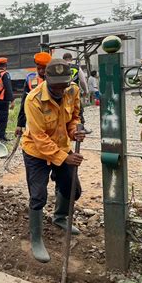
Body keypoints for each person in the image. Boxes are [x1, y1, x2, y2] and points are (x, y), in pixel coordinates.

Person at [21, 58, 86, 263]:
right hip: (36, 153)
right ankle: (36, 239)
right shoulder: (34, 100)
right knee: (38, 194)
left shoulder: (73, 90)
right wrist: (64, 158)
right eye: (56, 85)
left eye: (63, 85)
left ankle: (60, 217)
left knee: (72, 190)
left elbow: (74, 116)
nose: (60, 90)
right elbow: (39, 138)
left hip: (62, 148)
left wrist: (75, 130)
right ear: (46, 78)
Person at [15, 52, 52, 137]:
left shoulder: (54, 80)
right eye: (39, 68)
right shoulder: (30, 79)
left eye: (44, 68)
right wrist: (20, 124)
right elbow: (24, 102)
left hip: (51, 120)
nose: (41, 71)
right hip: (33, 118)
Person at [62, 52, 90, 133]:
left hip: (63, 93)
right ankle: (80, 128)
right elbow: (82, 81)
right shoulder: (77, 68)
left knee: (64, 110)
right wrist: (86, 91)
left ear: (63, 59)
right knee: (78, 110)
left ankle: (65, 128)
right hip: (74, 92)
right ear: (71, 59)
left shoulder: (60, 67)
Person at [0, 57, 15, 142]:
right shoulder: (5, 74)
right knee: (3, 119)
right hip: (3, 100)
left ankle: (0, 135)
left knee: (0, 118)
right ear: (5, 65)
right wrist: (12, 100)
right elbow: (8, 88)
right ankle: (1, 137)